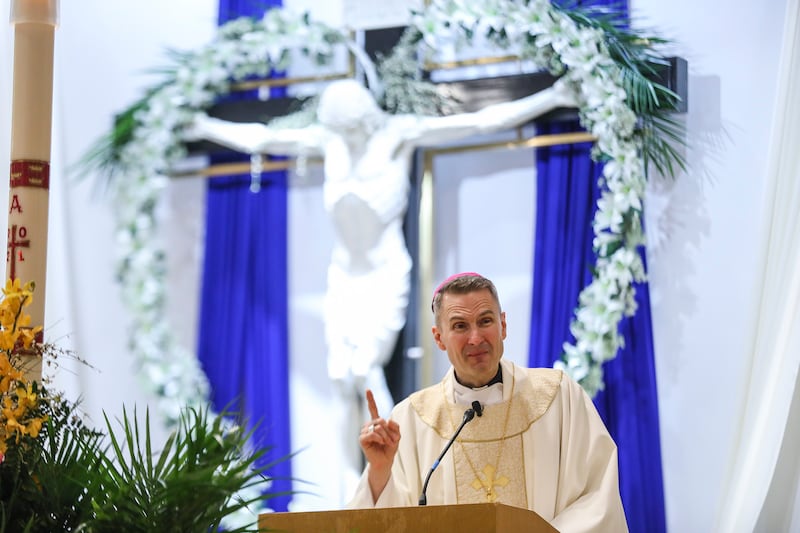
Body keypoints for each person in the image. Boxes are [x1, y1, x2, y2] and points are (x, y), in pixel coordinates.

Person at [184, 79, 577, 502]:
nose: (348, 137)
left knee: (368, 371)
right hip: (344, 274)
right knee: (340, 378)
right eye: (341, 128)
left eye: (353, 127)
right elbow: (263, 137)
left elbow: (478, 121)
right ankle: (340, 491)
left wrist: (552, 99)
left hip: (383, 271)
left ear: (366, 116)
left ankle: (397, 478)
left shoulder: (397, 135)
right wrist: (204, 125)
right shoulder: (329, 142)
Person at [350, 272, 628, 532]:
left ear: (503, 325)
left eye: (485, 321)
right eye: (460, 326)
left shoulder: (558, 396)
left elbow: (597, 494)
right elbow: (386, 522)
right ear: (439, 338)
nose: (476, 338)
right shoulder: (413, 418)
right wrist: (379, 471)